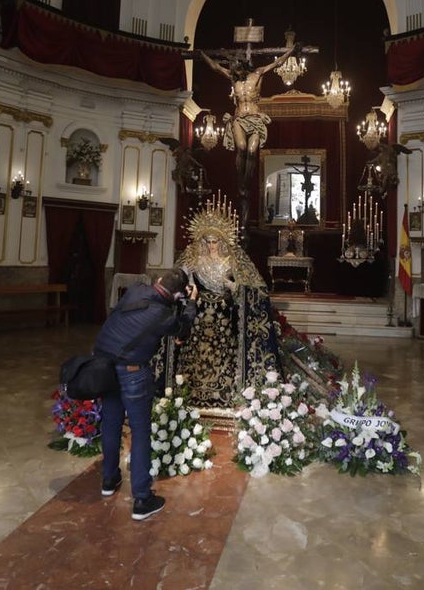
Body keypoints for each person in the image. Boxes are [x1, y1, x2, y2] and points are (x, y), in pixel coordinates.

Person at [152, 195, 279, 410]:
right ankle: (189, 390)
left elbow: (256, 290)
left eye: (215, 241)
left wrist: (230, 286)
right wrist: (188, 285)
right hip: (198, 314)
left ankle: (225, 389)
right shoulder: (191, 258)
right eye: (207, 242)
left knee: (223, 351)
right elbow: (176, 281)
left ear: (222, 241)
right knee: (195, 352)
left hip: (223, 314)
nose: (211, 246)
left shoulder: (234, 259)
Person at [93, 268, 198, 521]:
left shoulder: (136, 291)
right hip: (132, 372)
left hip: (104, 365)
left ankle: (109, 480)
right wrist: (191, 303)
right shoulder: (164, 315)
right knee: (140, 431)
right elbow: (182, 330)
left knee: (111, 423)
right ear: (177, 294)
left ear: (158, 281)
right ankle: (141, 498)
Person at [197, 42, 300, 237]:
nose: (233, 68)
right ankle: (241, 182)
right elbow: (216, 67)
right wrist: (202, 54)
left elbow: (277, 63)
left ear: (244, 64)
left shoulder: (258, 74)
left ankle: (245, 183)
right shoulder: (232, 79)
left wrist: (291, 51)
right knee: (242, 147)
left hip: (254, 118)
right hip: (238, 119)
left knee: (252, 151)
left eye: (236, 64)